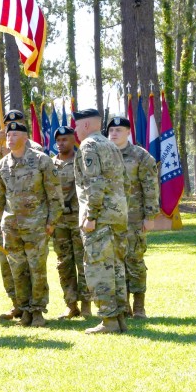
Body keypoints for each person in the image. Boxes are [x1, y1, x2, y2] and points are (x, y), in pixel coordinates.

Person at [0, 121, 63, 327]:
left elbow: (55, 194)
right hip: (11, 227)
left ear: (26, 138)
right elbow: (1, 198)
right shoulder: (1, 165)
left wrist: (51, 222)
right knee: (18, 269)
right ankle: (24, 310)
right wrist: (0, 223)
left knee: (37, 268)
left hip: (36, 225)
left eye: (15, 134)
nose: (10, 138)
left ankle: (38, 311)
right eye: (8, 135)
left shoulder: (42, 161)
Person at [73, 108, 129, 334]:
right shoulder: (111, 145)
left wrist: (91, 216)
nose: (75, 131)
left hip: (100, 216)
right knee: (115, 266)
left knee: (99, 266)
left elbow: (94, 183)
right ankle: (118, 317)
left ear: (85, 126)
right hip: (117, 214)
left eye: (77, 126)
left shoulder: (89, 145)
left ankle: (109, 320)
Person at [0, 109, 44, 321]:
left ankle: (35, 307)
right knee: (10, 265)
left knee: (34, 265)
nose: (11, 129)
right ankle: (18, 304)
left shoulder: (36, 150)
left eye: (17, 123)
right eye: (8, 125)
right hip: (9, 220)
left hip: (32, 219)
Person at [107, 116, 159, 318]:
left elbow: (150, 187)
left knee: (134, 261)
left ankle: (139, 307)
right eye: (111, 130)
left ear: (129, 132)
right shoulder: (104, 155)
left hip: (134, 218)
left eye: (119, 130)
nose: (114, 133)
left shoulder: (141, 156)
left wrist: (150, 216)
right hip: (110, 220)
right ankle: (123, 305)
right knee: (115, 263)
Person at [52, 126, 93, 319]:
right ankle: (70, 304)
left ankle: (86, 304)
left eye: (65, 140)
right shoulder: (50, 164)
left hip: (78, 218)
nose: (61, 144)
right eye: (58, 140)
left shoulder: (82, 161)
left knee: (82, 260)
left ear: (73, 140)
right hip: (59, 220)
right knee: (63, 263)